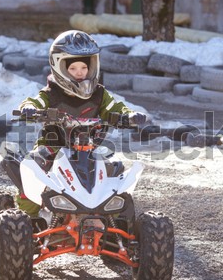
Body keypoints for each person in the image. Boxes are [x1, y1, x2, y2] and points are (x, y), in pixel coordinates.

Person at [14, 29, 147, 217]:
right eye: (73, 68)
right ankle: (28, 218)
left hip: (88, 149)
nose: (79, 73)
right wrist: (29, 108)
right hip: (53, 145)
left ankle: (116, 225)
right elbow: (36, 102)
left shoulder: (100, 94)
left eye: (84, 68)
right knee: (35, 168)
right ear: (59, 67)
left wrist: (130, 115)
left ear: (92, 66)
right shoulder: (51, 93)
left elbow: (115, 108)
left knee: (115, 173)